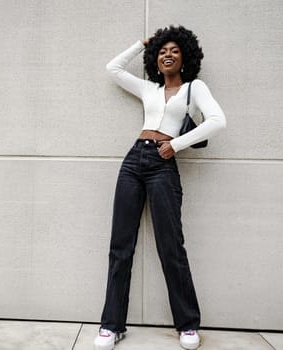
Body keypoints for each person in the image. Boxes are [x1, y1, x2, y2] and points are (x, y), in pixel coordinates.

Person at [94, 26, 226, 350]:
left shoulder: (195, 88)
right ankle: (112, 325)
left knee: (171, 246)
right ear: (156, 58)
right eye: (162, 51)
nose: (168, 55)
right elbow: (113, 68)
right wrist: (142, 44)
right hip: (133, 161)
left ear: (185, 58)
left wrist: (176, 145)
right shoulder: (148, 89)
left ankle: (188, 324)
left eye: (175, 51)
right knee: (120, 247)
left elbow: (217, 120)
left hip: (163, 166)